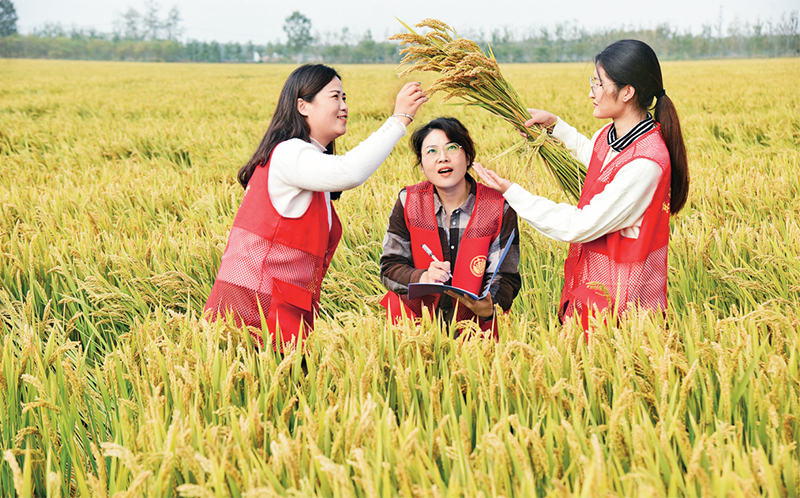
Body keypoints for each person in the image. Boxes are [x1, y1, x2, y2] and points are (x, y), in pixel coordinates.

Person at [205, 64, 427, 348]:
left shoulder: (306, 164)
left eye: (345, 98)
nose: (344, 106)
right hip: (253, 309)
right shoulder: (289, 152)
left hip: (281, 308)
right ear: (303, 106)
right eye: (335, 97)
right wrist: (399, 120)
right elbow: (350, 171)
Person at [474, 39, 690, 331]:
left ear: (627, 92)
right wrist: (555, 127)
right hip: (594, 286)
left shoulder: (645, 163)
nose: (591, 93)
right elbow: (601, 159)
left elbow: (580, 225)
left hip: (624, 302)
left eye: (598, 84)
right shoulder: (611, 134)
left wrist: (513, 193)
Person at [380, 117, 521, 334]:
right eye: (431, 151)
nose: (442, 158)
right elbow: (390, 267)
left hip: (475, 328)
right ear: (421, 164)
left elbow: (507, 275)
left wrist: (490, 305)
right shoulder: (409, 201)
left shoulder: (498, 207)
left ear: (468, 157)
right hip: (413, 327)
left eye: (452, 148)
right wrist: (423, 277)